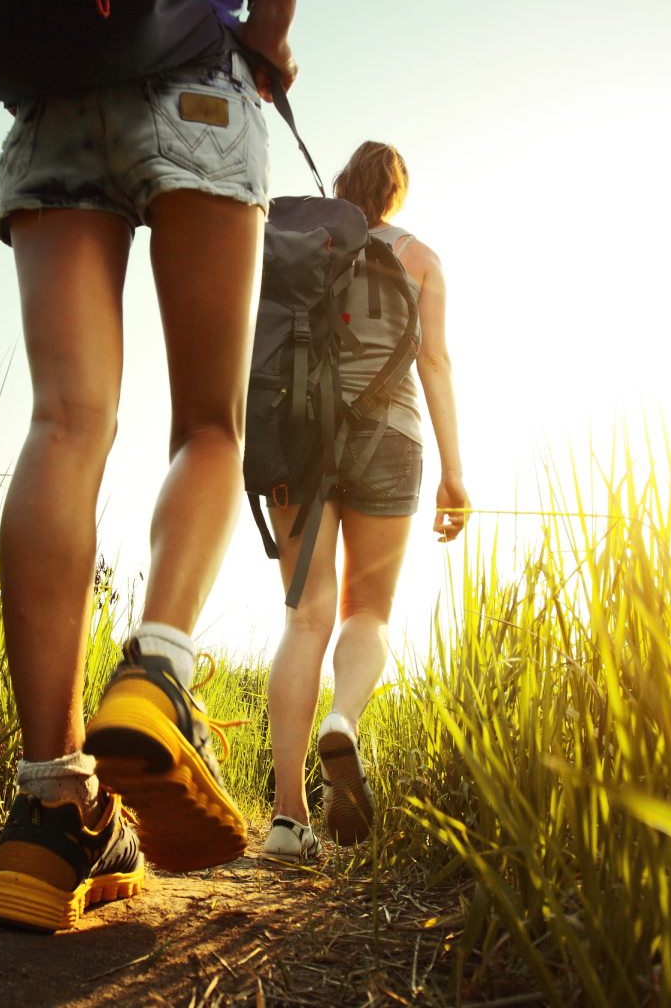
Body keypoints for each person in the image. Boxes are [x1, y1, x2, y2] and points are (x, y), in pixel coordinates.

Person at [0, 0, 322, 932]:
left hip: (53, 84)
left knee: (64, 420)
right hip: (195, 66)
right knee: (208, 424)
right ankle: (155, 674)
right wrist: (273, 25)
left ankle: (52, 808)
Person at [263, 141, 470, 862]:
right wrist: (454, 473)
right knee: (367, 612)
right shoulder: (422, 259)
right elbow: (435, 364)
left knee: (305, 616)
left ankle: (288, 822)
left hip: (298, 436)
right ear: (397, 194)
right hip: (392, 437)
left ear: (345, 187)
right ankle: (343, 719)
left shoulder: (303, 246)